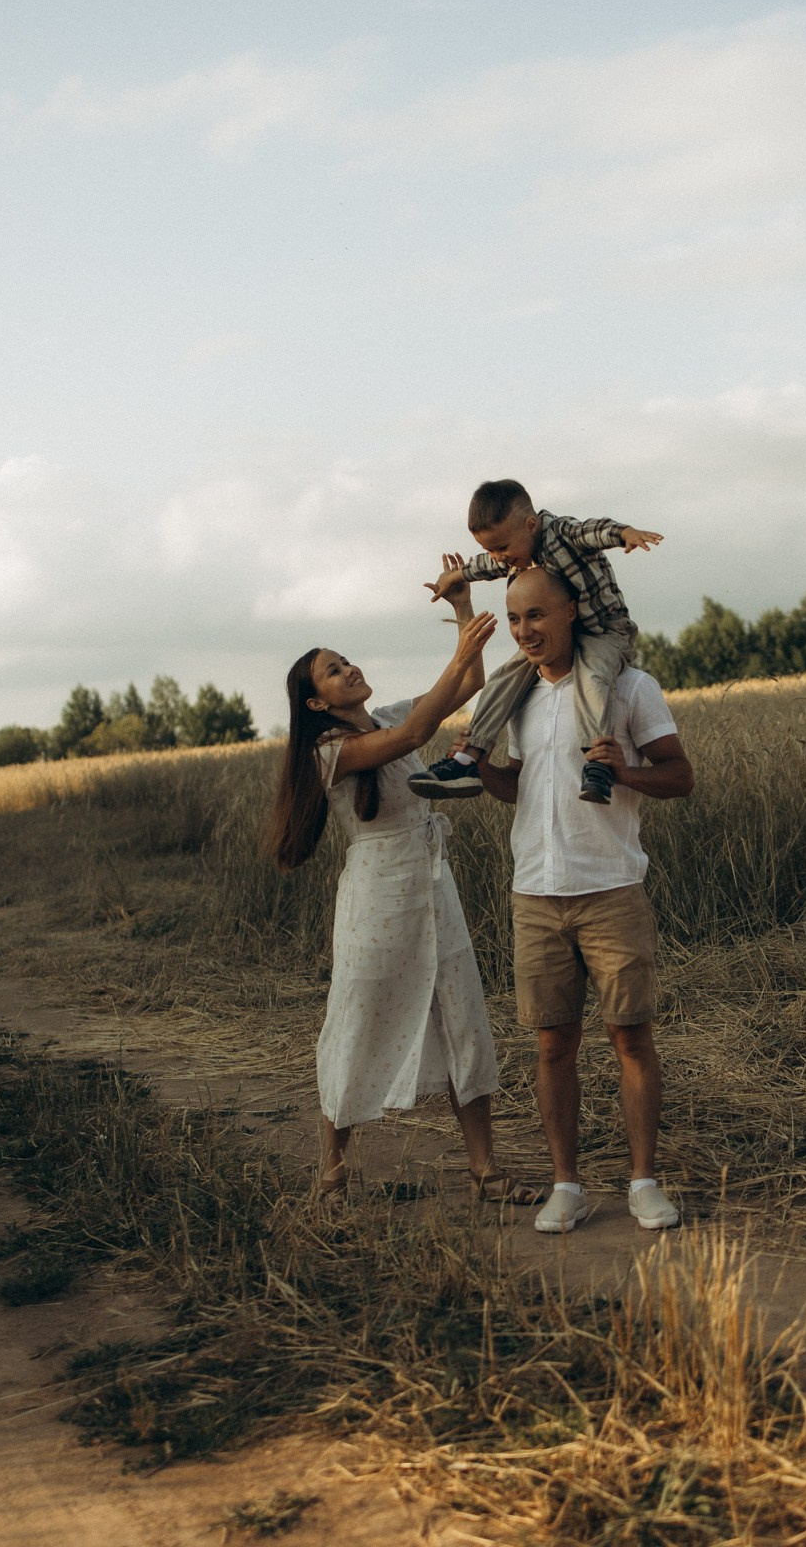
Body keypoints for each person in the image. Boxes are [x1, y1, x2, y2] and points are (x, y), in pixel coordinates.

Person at [267, 565, 538, 1207]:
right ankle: (333, 1172)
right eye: (334, 671)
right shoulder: (328, 753)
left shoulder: (383, 713)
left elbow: (469, 685)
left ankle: (486, 1174)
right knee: (357, 1019)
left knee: (463, 1016)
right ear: (316, 702)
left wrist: (465, 604)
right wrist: (466, 644)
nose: (349, 669)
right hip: (376, 897)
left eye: (347, 660)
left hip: (432, 886)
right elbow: (417, 736)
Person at [470, 567, 694, 1234]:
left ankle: (643, 1183)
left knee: (630, 1036)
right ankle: (566, 1185)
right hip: (535, 893)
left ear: (571, 611)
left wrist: (622, 768)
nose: (525, 630)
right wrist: (477, 766)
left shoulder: (629, 686)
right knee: (551, 1046)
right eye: (514, 619)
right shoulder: (516, 697)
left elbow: (680, 776)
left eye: (536, 615)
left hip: (611, 888)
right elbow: (522, 787)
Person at [408, 478, 662, 807]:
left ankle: (597, 763)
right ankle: (467, 759)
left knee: (593, 677)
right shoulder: (511, 552)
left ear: (531, 525)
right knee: (503, 679)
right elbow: (483, 566)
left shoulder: (561, 533)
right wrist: (453, 577)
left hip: (604, 630)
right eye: (490, 549)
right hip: (560, 637)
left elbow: (593, 530)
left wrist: (625, 534)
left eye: (502, 547)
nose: (498, 557)